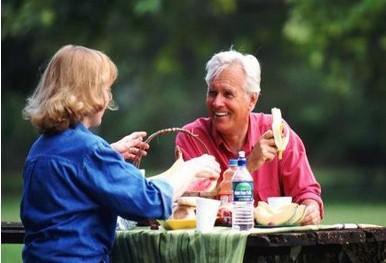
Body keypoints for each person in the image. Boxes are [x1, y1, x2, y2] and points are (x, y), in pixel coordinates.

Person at [20, 44, 220, 262]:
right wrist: (191, 167)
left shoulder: (40, 148)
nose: (108, 98)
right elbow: (149, 202)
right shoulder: (89, 151)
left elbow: (73, 183)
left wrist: (110, 152)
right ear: (89, 93)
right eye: (106, 89)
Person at [176, 49, 323, 225]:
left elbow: (307, 193)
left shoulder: (277, 133)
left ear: (252, 100)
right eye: (212, 92)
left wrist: (311, 209)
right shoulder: (191, 137)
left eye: (228, 94)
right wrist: (249, 164)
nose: (217, 103)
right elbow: (192, 204)